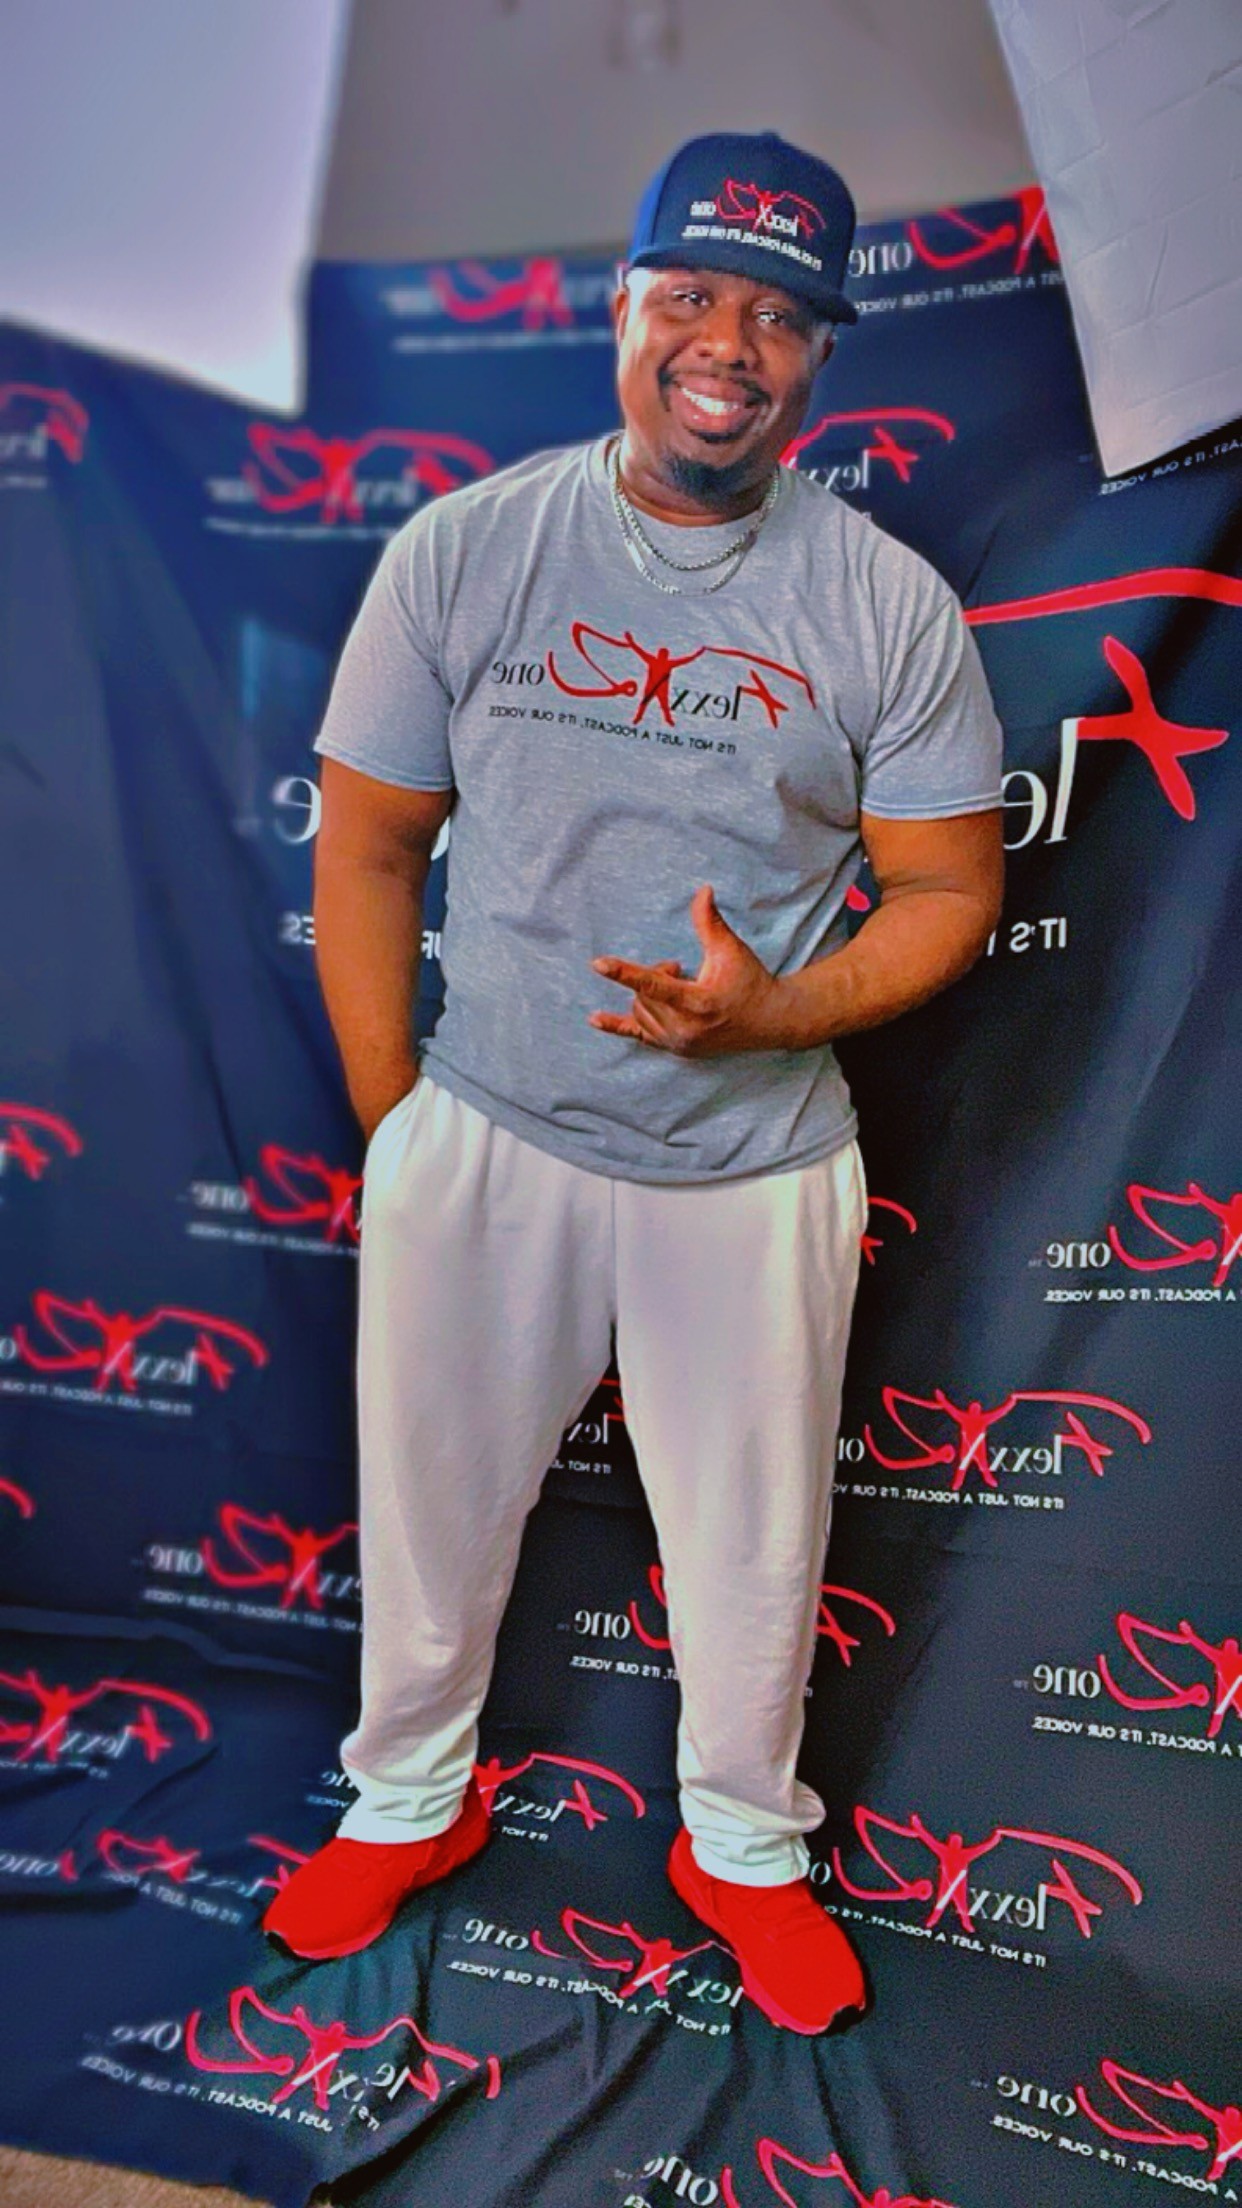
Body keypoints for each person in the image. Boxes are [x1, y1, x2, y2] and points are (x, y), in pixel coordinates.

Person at [263, 130, 1005, 2034]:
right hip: (489, 1136)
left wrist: (777, 1013)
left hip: (754, 1164)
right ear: (622, 309)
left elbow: (947, 890)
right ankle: (409, 1801)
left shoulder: (884, 603)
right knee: (428, 1516)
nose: (726, 346)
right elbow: (368, 848)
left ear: (818, 356)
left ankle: (741, 1848)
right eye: (690, 297)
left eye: (776, 316)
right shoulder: (468, 549)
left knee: (754, 1560)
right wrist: (404, 1122)